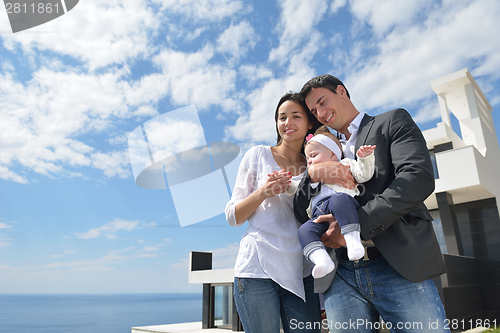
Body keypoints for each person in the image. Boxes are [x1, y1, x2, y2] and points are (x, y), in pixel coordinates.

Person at [294, 74, 449, 332]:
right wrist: (312, 175)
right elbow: (301, 211)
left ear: (342, 91)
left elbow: (417, 179)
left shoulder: (391, 121)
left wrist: (355, 227)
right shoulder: (320, 152)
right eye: (313, 110)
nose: (320, 113)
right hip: (340, 274)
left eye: (322, 102)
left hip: (397, 265)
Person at [225, 92, 322, 333]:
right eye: (282, 117)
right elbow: (233, 216)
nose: (287, 122)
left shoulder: (315, 164)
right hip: (257, 268)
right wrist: (263, 192)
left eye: (295, 116)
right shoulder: (258, 155)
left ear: (309, 123)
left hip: (302, 271)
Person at [286, 126, 375, 280]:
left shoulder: (346, 163)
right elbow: (296, 188)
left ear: (333, 155)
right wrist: (286, 184)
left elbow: (363, 174)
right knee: (304, 231)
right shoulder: (312, 175)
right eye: (307, 159)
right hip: (318, 214)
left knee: (339, 199)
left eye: (313, 155)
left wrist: (365, 158)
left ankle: (353, 241)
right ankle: (321, 259)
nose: (310, 161)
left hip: (342, 207)